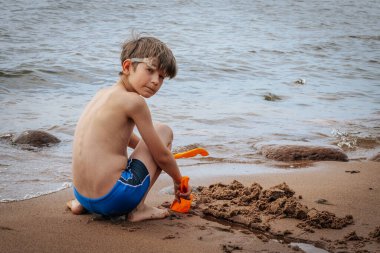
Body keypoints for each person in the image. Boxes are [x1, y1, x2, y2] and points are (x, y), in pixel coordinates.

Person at [67, 35, 191, 222]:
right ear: (127, 67)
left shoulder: (102, 94)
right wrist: (178, 180)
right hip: (113, 199)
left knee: (152, 140)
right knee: (163, 130)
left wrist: (148, 147)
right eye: (150, 70)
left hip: (82, 194)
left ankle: (81, 205)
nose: (156, 81)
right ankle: (138, 208)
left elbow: (120, 137)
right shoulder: (134, 102)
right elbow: (162, 157)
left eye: (161, 77)